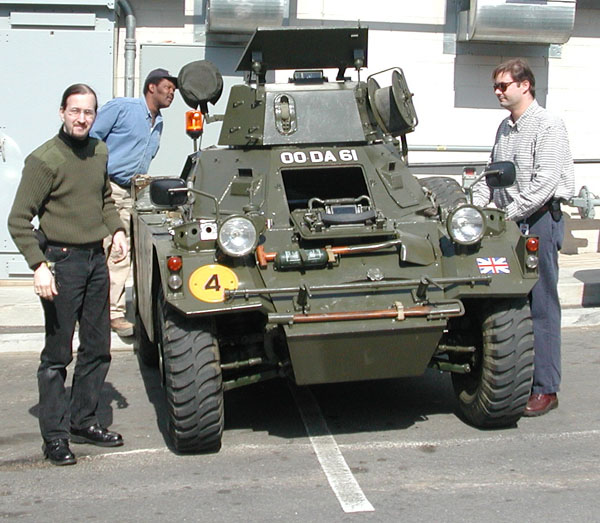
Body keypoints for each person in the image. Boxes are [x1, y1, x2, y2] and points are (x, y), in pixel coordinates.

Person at [8, 84, 128, 466]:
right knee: (57, 356)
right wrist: (38, 266)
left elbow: (104, 199)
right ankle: (55, 437)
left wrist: (117, 230)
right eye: (75, 111)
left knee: (97, 347)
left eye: (89, 112)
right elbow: (18, 221)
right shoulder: (44, 160)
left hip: (95, 260)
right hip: (61, 262)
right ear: (62, 112)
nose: (82, 119)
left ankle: (84, 421)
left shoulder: (99, 151)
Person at [473, 58, 575, 417]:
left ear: (525, 85)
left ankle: (546, 388)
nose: (498, 92)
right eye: (496, 87)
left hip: (539, 222)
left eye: (504, 86)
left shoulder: (548, 126)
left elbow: (545, 183)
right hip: (508, 223)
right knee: (508, 302)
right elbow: (492, 176)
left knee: (541, 304)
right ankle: (515, 378)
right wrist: (474, 208)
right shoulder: (505, 128)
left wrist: (505, 216)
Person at [90, 68, 178, 337]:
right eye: (167, 87)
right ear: (151, 87)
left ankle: (113, 314)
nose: (172, 93)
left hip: (132, 192)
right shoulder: (122, 108)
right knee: (98, 251)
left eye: (174, 90)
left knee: (120, 252)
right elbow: (91, 138)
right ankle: (92, 312)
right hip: (106, 188)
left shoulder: (159, 121)